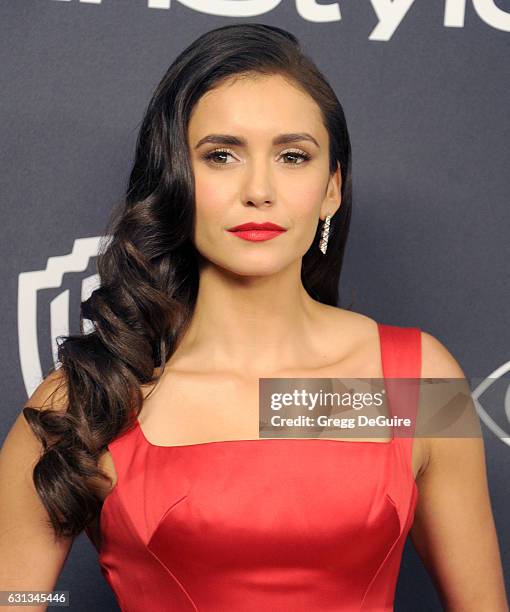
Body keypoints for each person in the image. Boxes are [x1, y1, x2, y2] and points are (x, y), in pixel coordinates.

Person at [0, 23, 507, 612]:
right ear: (176, 181)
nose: (259, 189)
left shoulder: (409, 380)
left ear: (331, 190)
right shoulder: (87, 400)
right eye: (221, 155)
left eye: (293, 156)